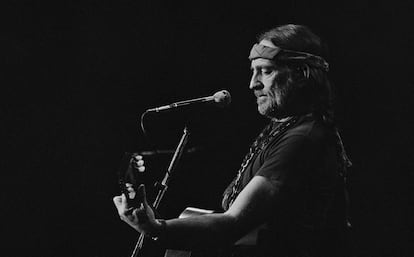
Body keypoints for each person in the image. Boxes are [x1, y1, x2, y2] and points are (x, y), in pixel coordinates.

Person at [113, 24, 353, 257]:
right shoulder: (283, 130)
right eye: (253, 71)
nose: (253, 84)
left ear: (301, 74)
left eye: (266, 70)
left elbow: (232, 224)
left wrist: (156, 228)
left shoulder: (304, 138)